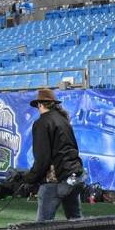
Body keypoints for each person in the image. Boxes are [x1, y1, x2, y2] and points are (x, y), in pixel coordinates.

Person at [23, 89, 85, 222]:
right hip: (73, 177)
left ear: (40, 104)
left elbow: (43, 159)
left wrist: (29, 178)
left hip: (55, 180)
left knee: (43, 225)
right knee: (77, 221)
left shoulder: (42, 123)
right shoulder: (64, 121)